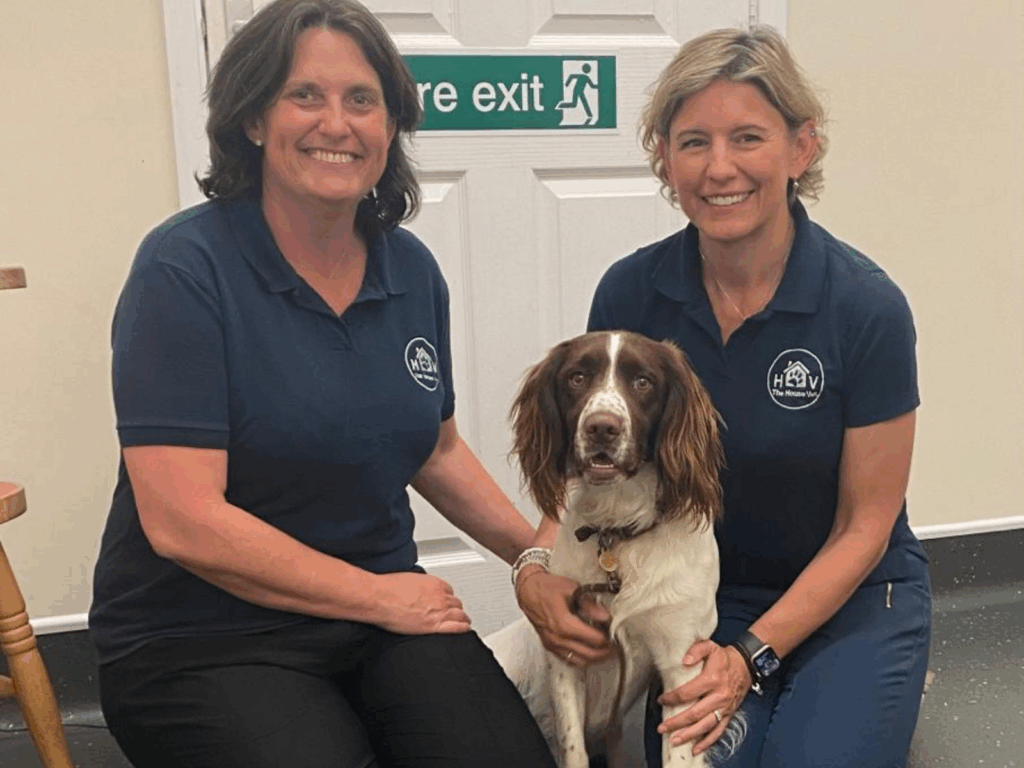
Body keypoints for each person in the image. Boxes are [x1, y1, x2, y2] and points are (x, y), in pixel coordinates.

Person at [88, 2, 557, 767]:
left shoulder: (409, 271)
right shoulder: (184, 270)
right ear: (252, 119)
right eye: (305, 95)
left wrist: (538, 559)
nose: (336, 123)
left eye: (361, 100)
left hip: (377, 622)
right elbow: (183, 521)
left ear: (389, 125)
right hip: (200, 637)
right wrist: (379, 595)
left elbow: (434, 451)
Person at [511, 25, 931, 768]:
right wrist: (538, 567)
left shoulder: (866, 308)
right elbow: (588, 463)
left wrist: (750, 658)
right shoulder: (632, 291)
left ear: (801, 148)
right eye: (693, 141)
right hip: (709, 590)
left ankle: (873, 688)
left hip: (857, 600)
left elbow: (866, 526)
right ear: (664, 160)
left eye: (747, 137)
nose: (719, 168)